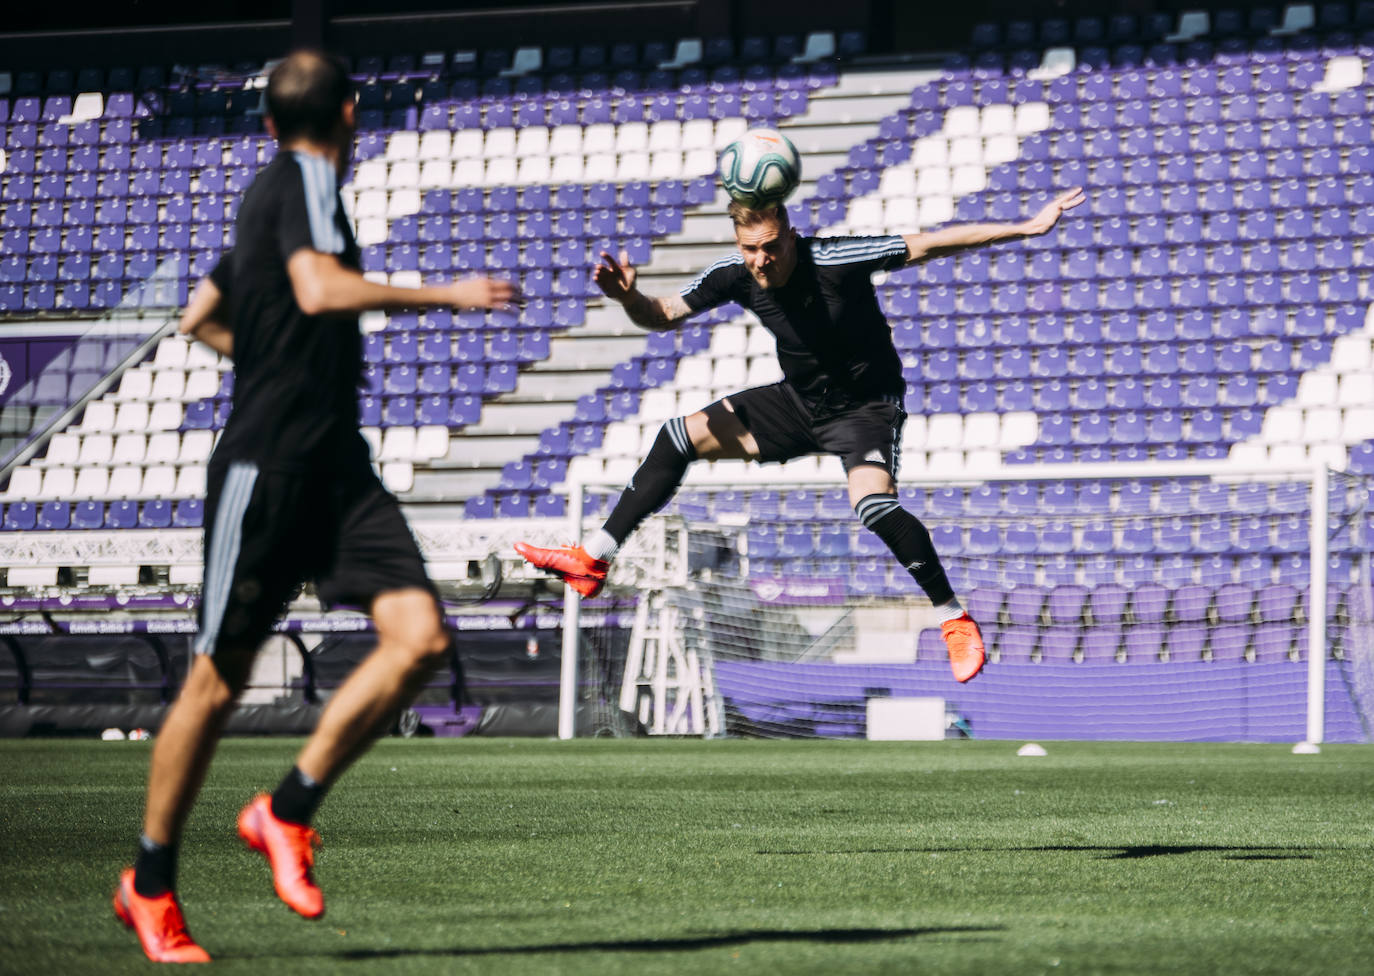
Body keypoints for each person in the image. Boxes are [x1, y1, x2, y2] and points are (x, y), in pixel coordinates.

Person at [112, 50, 518, 963]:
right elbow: (318, 288)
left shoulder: (273, 196)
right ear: (350, 113)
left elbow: (200, 316)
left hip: (337, 469)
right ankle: (150, 884)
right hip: (267, 471)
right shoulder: (303, 179)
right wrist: (445, 294)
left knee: (421, 640)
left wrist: (272, 361)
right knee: (215, 684)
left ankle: (286, 810)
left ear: (267, 121)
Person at [517, 187, 1085, 685]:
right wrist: (626, 299)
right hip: (799, 402)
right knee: (677, 436)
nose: (760, 259)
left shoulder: (835, 258)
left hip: (865, 409)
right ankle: (593, 558)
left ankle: (953, 619)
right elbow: (663, 313)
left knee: (873, 506)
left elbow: (931, 243)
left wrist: (1026, 227)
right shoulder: (735, 273)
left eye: (770, 246)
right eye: (750, 248)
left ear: (790, 236)